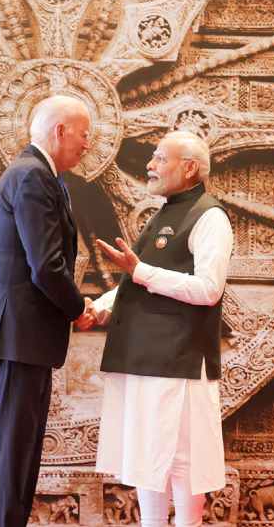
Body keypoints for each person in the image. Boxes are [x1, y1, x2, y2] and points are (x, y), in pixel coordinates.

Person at [85, 130, 232, 527]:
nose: (150, 166)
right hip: (145, 356)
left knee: (184, 461)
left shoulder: (210, 216)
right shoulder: (165, 214)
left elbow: (208, 290)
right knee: (147, 457)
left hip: (180, 358)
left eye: (159, 158)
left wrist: (140, 269)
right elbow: (139, 284)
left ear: (189, 168)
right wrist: (98, 309)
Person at [0, 94, 97, 527]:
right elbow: (45, 265)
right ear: (60, 131)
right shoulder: (32, 177)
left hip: (23, 335)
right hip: (18, 334)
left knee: (22, 451)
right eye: (84, 135)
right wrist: (78, 308)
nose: (88, 145)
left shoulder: (41, 175)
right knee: (16, 451)